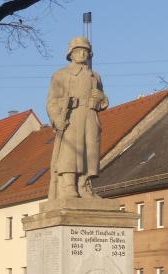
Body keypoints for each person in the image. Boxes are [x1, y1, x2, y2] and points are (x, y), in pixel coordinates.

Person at [47, 36, 109, 199]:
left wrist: (101, 98)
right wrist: (56, 118)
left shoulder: (95, 76)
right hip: (71, 116)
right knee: (70, 150)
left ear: (89, 54)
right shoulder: (61, 75)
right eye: (78, 50)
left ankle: (84, 185)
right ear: (71, 54)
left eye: (85, 51)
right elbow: (52, 101)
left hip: (90, 115)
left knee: (89, 150)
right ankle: (68, 186)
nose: (82, 53)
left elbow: (103, 100)